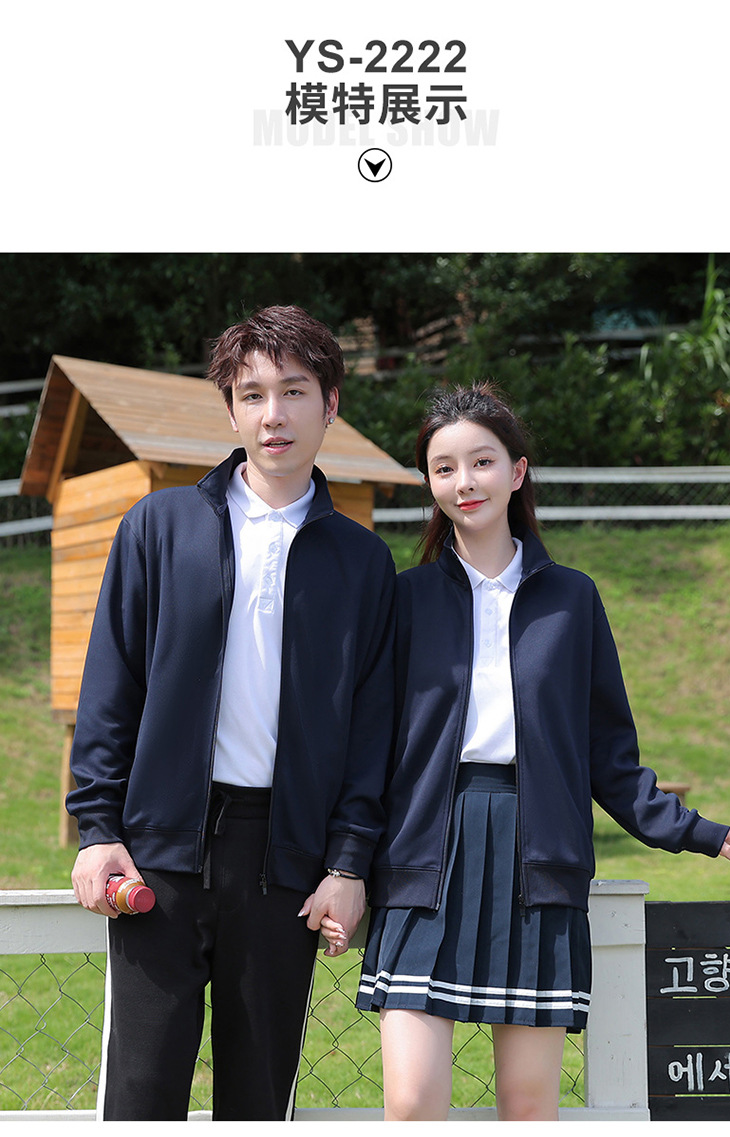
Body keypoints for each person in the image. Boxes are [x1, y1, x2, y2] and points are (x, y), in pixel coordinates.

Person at [347, 381, 730, 1122]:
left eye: (482, 462)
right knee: (410, 1103)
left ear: (518, 471)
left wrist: (699, 831)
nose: (464, 482)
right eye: (443, 468)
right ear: (429, 483)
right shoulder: (405, 599)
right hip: (424, 857)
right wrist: (344, 862)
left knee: (529, 1108)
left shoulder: (572, 599)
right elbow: (367, 749)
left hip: (538, 863)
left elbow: (608, 755)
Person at [67, 305, 396, 1121]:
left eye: (294, 391)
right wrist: (97, 828)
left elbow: (371, 732)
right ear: (230, 409)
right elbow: (111, 686)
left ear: (330, 403)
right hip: (158, 850)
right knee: (141, 1097)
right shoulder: (159, 526)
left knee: (257, 1101)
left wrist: (349, 864)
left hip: (285, 861)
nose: (273, 414)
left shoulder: (363, 562)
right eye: (252, 394)